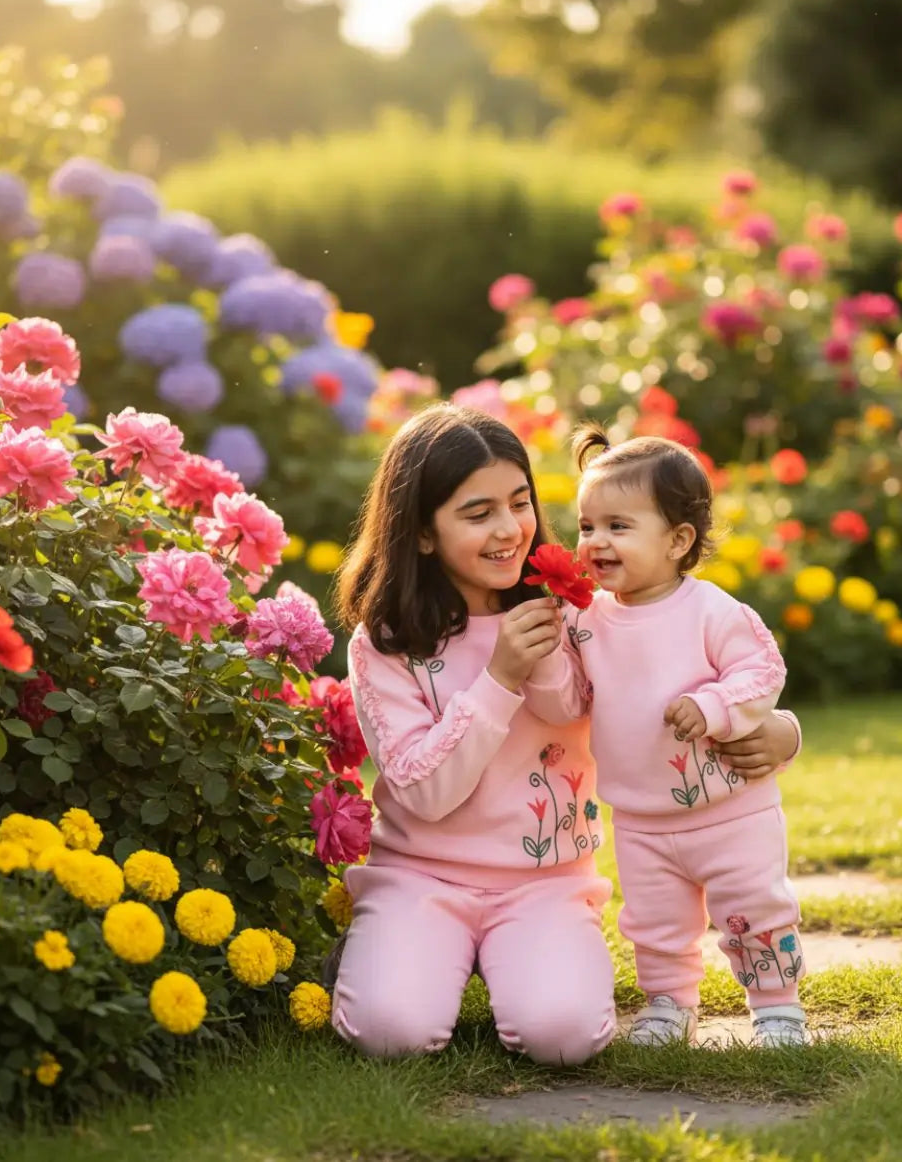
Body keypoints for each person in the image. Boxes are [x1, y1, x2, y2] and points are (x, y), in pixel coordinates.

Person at [330, 403, 801, 1062]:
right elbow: (424, 792)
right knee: (391, 1032)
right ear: (424, 533)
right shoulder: (385, 644)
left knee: (564, 1036)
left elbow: (660, 680)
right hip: (421, 877)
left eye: (519, 503)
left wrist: (781, 730)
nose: (508, 530)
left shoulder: (572, 613)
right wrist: (498, 676)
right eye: (477, 513)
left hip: (542, 881)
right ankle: (400, 952)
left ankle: (504, 963)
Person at [569, 428, 807, 1048]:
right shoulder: (586, 620)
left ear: (678, 541)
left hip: (731, 808)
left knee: (756, 908)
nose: (596, 541)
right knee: (655, 923)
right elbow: (567, 694)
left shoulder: (712, 612)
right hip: (642, 816)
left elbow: (763, 672)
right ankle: (670, 1004)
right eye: (586, 525)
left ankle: (776, 1005)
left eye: (618, 526)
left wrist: (714, 706)